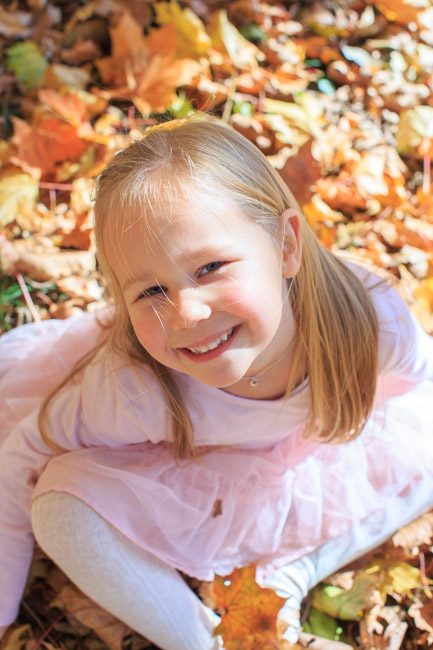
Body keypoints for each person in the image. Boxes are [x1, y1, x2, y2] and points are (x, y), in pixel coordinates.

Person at [0, 116, 432, 650]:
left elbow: (420, 386)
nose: (186, 311)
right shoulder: (133, 391)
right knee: (59, 511)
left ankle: (286, 577)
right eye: (151, 291)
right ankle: (203, 641)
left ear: (286, 245)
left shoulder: (373, 321)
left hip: (305, 455)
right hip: (188, 470)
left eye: (209, 267)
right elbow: (23, 455)